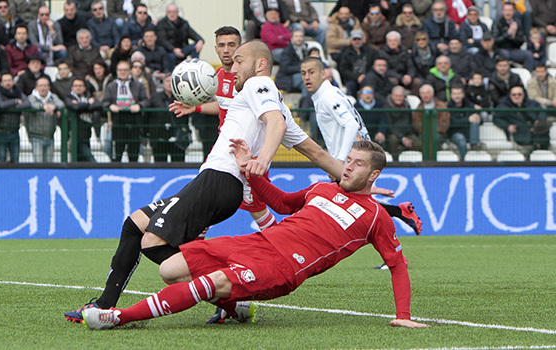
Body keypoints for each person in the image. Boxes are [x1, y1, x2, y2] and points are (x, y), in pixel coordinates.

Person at [64, 40, 347, 323]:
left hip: (220, 179)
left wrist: (263, 160)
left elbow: (277, 123)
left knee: (153, 242)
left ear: (260, 65)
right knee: (135, 224)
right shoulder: (264, 100)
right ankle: (104, 303)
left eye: (238, 61)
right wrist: (353, 180)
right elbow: (316, 152)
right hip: (217, 182)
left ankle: (232, 289)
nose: (232, 68)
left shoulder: (259, 86)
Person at [80, 140, 430, 330]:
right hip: (259, 243)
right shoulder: (322, 187)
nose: (348, 166)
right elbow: (280, 201)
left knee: (212, 281)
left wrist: (404, 314)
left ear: (374, 174)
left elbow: (397, 265)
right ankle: (235, 309)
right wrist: (250, 167)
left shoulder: (375, 217)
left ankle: (119, 317)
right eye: (348, 159)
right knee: (169, 269)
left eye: (358, 164)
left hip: (283, 267)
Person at [169, 27, 281, 236]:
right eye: (222, 45)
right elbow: (223, 106)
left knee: (255, 207)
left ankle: (282, 246)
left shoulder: (251, 81)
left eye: (232, 45)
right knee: (208, 203)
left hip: (249, 151)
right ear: (216, 49)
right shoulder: (217, 77)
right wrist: (197, 107)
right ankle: (195, 250)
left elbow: (270, 117)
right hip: (225, 149)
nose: (226, 50)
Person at [301, 57, 422, 235]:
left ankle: (396, 229)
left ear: (323, 74)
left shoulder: (328, 96)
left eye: (311, 72)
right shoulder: (326, 95)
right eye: (303, 73)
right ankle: (399, 215)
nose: (307, 77)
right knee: (358, 207)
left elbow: (351, 125)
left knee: (350, 208)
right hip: (354, 157)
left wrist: (340, 161)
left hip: (352, 159)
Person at [102, 60, 150, 162]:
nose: (122, 72)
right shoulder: (111, 86)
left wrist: (139, 105)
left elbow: (146, 101)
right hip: (118, 122)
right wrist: (110, 106)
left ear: (129, 71)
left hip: (134, 121)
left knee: (134, 153)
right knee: (118, 152)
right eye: (120, 70)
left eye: (125, 70)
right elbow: (104, 102)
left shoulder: (138, 85)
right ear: (117, 71)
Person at [146, 74, 189, 162]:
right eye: (167, 81)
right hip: (159, 138)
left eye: (172, 81)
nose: (169, 84)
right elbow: (148, 115)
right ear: (163, 83)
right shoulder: (155, 97)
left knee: (178, 164)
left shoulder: (182, 97)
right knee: (160, 165)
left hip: (177, 137)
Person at [494, 85, 550, 152]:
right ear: (510, 96)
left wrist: (539, 120)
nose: (517, 96)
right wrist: (507, 126)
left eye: (519, 94)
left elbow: (542, 112)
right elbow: (496, 118)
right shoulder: (504, 107)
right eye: (514, 95)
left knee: (543, 125)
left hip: (536, 130)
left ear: (523, 95)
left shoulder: (533, 103)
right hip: (520, 134)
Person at [0, 72, 31, 163]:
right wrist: (15, 101)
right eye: (5, 81)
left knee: (15, 159)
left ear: (13, 82)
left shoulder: (17, 91)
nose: (8, 83)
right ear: (1, 83)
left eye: (9, 80)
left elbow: (28, 103)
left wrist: (13, 106)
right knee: (1, 159)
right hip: (1, 131)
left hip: (14, 131)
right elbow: (1, 105)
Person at [26, 76, 64, 163]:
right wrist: (43, 107)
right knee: (38, 164)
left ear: (49, 87)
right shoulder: (31, 97)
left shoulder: (53, 97)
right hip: (36, 136)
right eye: (40, 86)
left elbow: (61, 104)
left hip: (50, 136)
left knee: (49, 164)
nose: (43, 88)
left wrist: (54, 107)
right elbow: (31, 104)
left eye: (45, 85)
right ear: (36, 87)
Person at [156, 4, 204, 71]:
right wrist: (174, 49)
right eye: (170, 12)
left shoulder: (184, 23)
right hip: (169, 51)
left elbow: (194, 34)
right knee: (171, 56)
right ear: (166, 13)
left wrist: (200, 41)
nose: (172, 14)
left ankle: (194, 68)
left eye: (174, 12)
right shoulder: (161, 24)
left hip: (182, 49)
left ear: (177, 12)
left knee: (196, 46)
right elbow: (162, 40)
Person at [64, 77, 101, 162]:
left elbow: (99, 105)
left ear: (84, 88)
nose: (78, 88)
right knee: (89, 160)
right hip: (75, 136)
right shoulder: (69, 97)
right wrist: (88, 104)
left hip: (87, 135)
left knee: (83, 161)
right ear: (72, 88)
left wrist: (81, 105)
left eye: (80, 85)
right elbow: (74, 107)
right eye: (76, 86)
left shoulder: (89, 96)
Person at [491, 2, 534, 71]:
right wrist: (508, 34)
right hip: (501, 49)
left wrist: (513, 37)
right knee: (504, 55)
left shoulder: (517, 22)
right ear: (502, 11)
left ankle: (528, 76)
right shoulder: (497, 22)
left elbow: (521, 41)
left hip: (514, 50)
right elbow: (495, 41)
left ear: (514, 11)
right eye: (506, 10)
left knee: (528, 55)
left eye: (510, 10)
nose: (508, 13)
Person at [338, 29, 378, 99]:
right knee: (351, 85)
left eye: (359, 39)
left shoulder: (371, 51)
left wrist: (366, 76)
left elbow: (374, 66)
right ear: (351, 40)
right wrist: (357, 77)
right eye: (354, 39)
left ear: (362, 40)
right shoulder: (345, 53)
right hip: (352, 79)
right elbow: (343, 69)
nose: (357, 41)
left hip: (368, 78)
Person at [385, 85, 422, 160]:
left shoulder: (407, 106)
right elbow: (389, 126)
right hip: (394, 134)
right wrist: (402, 138)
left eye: (401, 96)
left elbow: (410, 121)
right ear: (392, 96)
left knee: (419, 144)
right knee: (393, 140)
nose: (398, 98)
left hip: (407, 133)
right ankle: (395, 164)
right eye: (396, 96)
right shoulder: (386, 107)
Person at [378, 31, 420, 95]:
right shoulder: (382, 53)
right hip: (393, 77)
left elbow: (411, 66)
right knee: (393, 81)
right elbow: (386, 70)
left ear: (399, 42)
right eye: (390, 41)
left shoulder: (404, 51)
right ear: (387, 42)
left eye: (395, 40)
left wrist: (409, 76)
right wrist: (401, 78)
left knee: (417, 82)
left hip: (405, 77)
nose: (392, 43)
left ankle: (412, 100)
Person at [446, 84, 482, 159]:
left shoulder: (469, 105)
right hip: (455, 133)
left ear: (463, 94)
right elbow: (452, 122)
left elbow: (480, 121)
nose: (457, 96)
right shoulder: (447, 107)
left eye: (459, 93)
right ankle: (464, 162)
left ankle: (474, 146)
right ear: (451, 95)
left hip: (468, 133)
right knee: (461, 139)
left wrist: (477, 118)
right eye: (454, 94)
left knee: (475, 121)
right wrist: (468, 120)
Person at [275, 29, 308, 95]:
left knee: (307, 84)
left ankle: (306, 103)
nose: (299, 38)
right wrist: (301, 69)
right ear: (291, 38)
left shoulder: (305, 49)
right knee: (307, 78)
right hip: (286, 79)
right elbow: (285, 68)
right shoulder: (287, 51)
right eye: (296, 36)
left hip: (298, 76)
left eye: (301, 36)